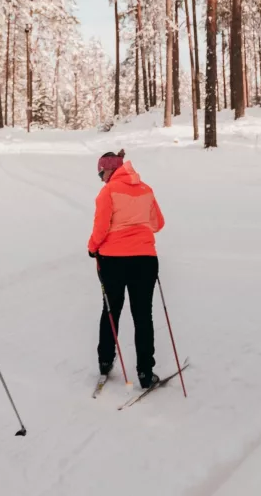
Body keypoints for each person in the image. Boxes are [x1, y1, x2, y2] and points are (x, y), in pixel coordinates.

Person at [87, 149, 165, 389]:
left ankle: (105, 360)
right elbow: (158, 224)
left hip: (113, 260)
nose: (101, 177)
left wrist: (92, 248)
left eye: (101, 172)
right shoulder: (146, 190)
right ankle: (145, 371)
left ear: (110, 169)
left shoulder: (108, 192)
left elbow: (101, 228)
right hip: (145, 259)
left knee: (111, 310)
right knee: (143, 315)